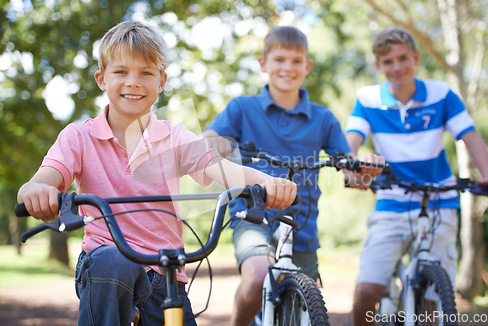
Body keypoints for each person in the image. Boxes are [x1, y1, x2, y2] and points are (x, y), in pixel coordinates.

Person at [17, 21, 297, 326]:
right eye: (121, 72)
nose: (133, 82)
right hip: (107, 269)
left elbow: (224, 170)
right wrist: (36, 191)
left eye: (146, 73)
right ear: (101, 79)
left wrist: (269, 183)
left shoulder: (175, 138)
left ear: (161, 81)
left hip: (165, 273)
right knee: (113, 261)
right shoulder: (78, 137)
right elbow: (41, 180)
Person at [203, 26, 383, 326]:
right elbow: (207, 141)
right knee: (257, 277)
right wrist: (215, 142)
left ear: (307, 66)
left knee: (302, 308)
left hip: (301, 223)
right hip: (253, 214)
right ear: (263, 64)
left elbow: (353, 176)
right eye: (280, 59)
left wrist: (366, 169)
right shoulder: (242, 108)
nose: (288, 67)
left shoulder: (323, 118)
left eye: (296, 61)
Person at [345, 26, 488, 326]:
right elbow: (348, 146)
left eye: (403, 58)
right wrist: (357, 165)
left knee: (432, 301)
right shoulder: (367, 99)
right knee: (367, 290)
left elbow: (470, 137)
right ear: (378, 66)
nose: (397, 67)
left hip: (439, 200)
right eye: (387, 62)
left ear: (415, 58)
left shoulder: (441, 94)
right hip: (391, 201)